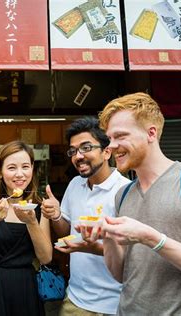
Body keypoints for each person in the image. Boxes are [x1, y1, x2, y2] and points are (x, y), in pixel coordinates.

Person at [95, 92, 181, 315]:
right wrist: (108, 237)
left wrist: (151, 237)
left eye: (120, 136)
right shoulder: (122, 194)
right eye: (109, 138)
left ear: (151, 133)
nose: (111, 146)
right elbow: (122, 274)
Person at [41, 117, 130, 315]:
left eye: (86, 147)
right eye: (73, 151)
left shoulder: (125, 190)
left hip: (115, 303)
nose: (77, 156)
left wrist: (95, 247)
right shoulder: (74, 185)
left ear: (107, 152)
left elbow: (134, 254)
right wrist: (56, 215)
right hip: (75, 299)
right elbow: (67, 231)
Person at [0, 140, 52, 316]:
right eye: (12, 167)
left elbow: (45, 258)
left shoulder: (40, 205)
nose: (20, 174)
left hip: (24, 289)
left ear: (32, 169)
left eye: (25, 167)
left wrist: (32, 223)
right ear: (0, 172)